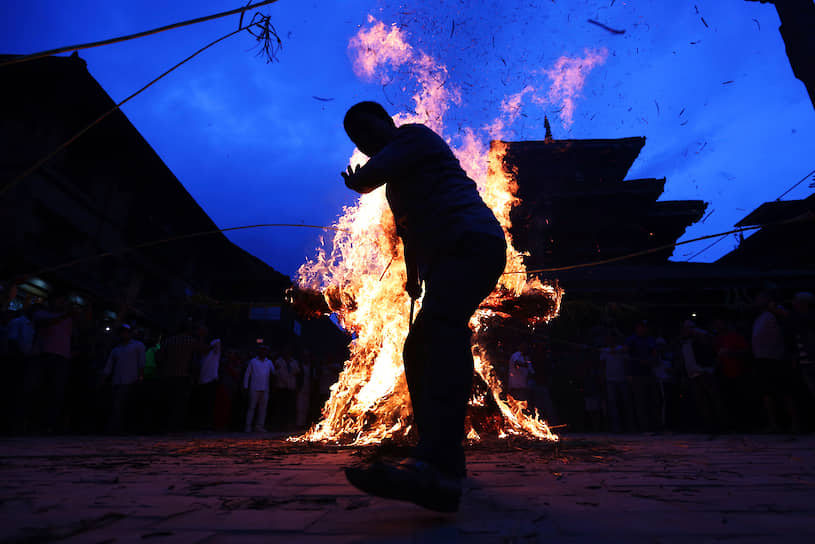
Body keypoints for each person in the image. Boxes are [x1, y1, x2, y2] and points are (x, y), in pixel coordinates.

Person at [340, 101, 506, 512]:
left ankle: (441, 464)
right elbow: (410, 234)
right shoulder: (396, 187)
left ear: (387, 121)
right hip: (445, 257)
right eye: (357, 139)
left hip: (472, 242)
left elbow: (369, 177)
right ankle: (436, 451)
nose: (366, 141)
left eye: (367, 130)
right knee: (416, 347)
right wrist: (413, 279)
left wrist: (358, 180)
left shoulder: (411, 136)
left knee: (439, 331)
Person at [752, 289, 799, 432]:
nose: (757, 300)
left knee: (785, 391)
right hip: (762, 358)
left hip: (776, 358)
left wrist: (775, 308)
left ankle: (795, 423)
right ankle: (773, 424)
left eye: (760, 297)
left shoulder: (776, 312)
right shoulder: (761, 317)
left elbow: (791, 322)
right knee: (767, 392)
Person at [31, 293, 77, 432]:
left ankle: (49, 424)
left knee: (56, 392)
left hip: (62, 357)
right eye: (59, 300)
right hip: (43, 355)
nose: (61, 303)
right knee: (38, 388)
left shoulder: (69, 319)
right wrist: (67, 314)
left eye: (63, 301)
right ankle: (33, 422)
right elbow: (45, 323)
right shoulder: (41, 314)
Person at [102, 324, 145, 433]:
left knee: (126, 406)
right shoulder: (116, 349)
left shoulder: (138, 345)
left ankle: (126, 428)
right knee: (117, 406)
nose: (124, 334)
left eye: (126, 332)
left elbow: (141, 363)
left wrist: (140, 377)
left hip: (132, 380)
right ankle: (117, 429)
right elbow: (109, 366)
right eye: (122, 332)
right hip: (118, 381)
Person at [625, 320, 659, 431]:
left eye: (645, 327)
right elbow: (627, 357)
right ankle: (643, 427)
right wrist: (629, 373)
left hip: (649, 372)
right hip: (636, 374)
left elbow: (655, 354)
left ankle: (654, 425)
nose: (643, 329)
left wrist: (651, 360)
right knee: (640, 401)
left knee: (653, 399)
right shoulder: (631, 340)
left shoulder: (650, 339)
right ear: (637, 328)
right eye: (641, 327)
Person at [600, 334, 633, 432]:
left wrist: (628, 375)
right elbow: (602, 365)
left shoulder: (621, 349)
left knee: (626, 403)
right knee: (613, 404)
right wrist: (602, 378)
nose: (610, 340)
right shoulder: (604, 351)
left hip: (622, 379)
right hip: (610, 380)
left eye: (612, 338)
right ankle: (616, 427)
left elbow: (627, 361)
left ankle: (630, 426)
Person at [244, 344, 275, 432]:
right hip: (254, 387)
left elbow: (274, 372)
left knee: (263, 409)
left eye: (265, 351)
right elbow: (247, 374)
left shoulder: (269, 362)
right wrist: (245, 386)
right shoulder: (253, 361)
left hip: (265, 388)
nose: (263, 352)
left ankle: (259, 426)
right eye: (262, 350)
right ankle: (248, 426)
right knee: (251, 407)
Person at [196, 338, 222, 430]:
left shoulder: (214, 353)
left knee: (210, 405)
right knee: (203, 404)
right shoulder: (202, 357)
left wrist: (208, 346)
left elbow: (218, 341)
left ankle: (208, 425)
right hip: (202, 382)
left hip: (211, 381)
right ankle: (202, 424)